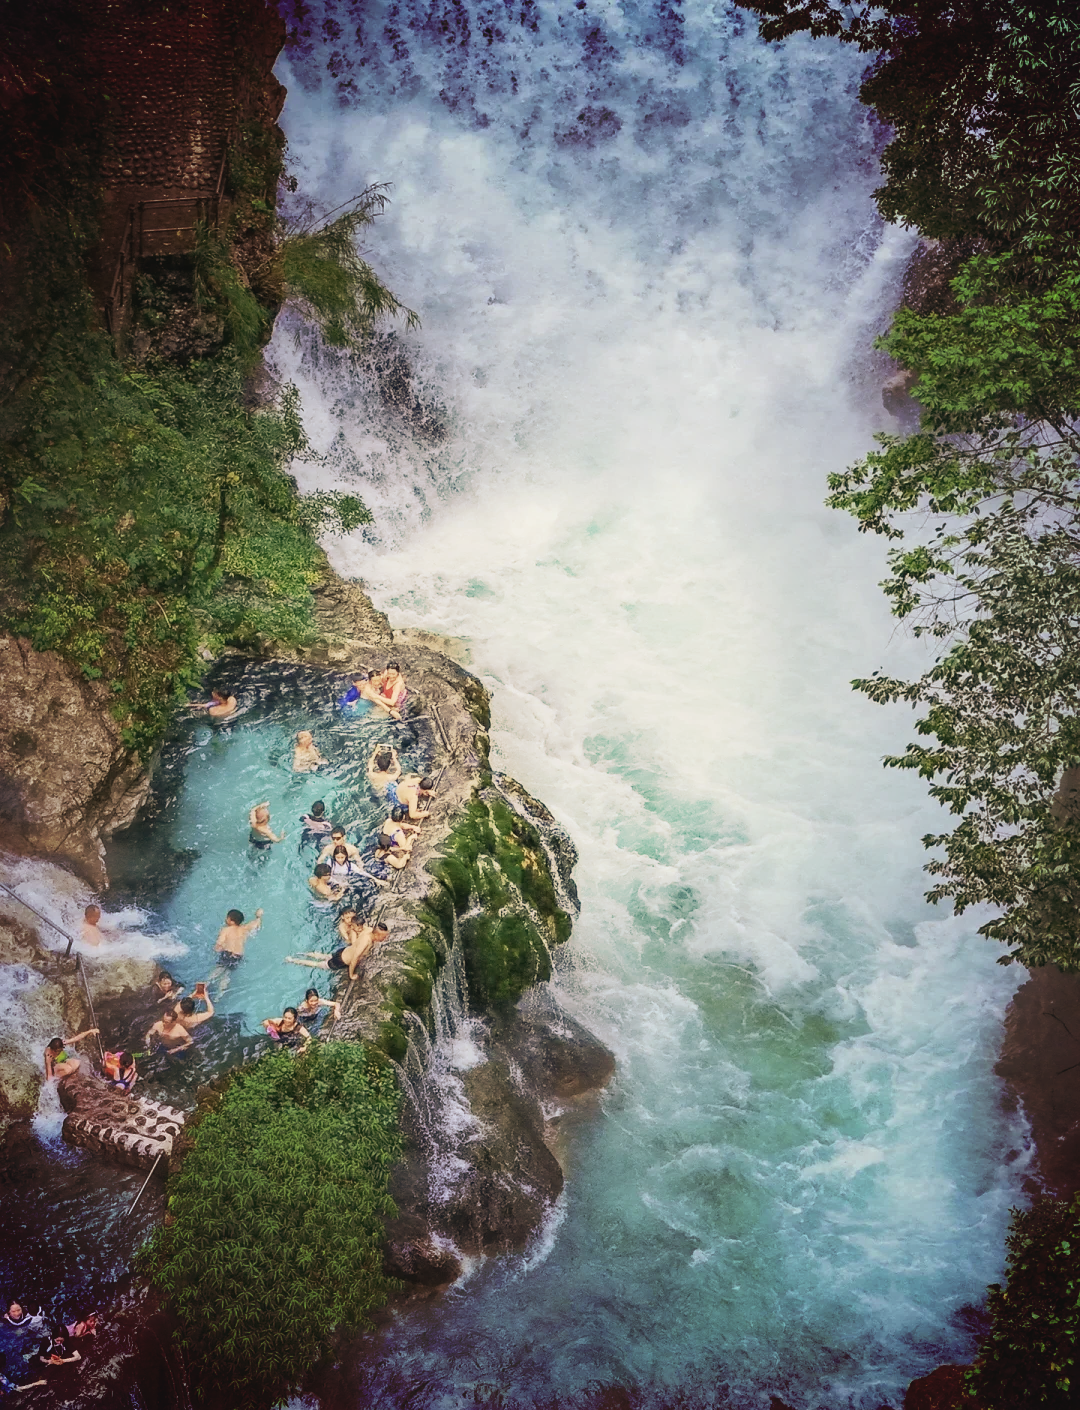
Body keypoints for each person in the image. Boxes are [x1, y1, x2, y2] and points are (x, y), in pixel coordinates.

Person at [211, 907, 264, 989]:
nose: (225, 919)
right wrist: (258, 916)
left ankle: (204, 987)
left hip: (228, 953)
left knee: (216, 971)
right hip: (238, 956)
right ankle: (220, 994)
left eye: (227, 918)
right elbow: (256, 923)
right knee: (226, 974)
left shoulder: (226, 929)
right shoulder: (244, 928)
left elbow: (219, 944)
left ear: (231, 921)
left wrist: (216, 948)